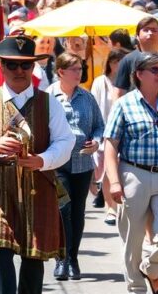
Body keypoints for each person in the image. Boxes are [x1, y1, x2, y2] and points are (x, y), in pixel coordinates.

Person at [0, 36, 75, 294]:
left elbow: (66, 141)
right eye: (12, 65)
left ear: (33, 68)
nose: (19, 71)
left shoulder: (49, 102)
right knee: (0, 253)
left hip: (38, 185)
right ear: (0, 65)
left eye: (25, 66)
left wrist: (42, 160)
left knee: (34, 256)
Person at [103, 52, 158, 294]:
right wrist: (114, 182)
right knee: (132, 240)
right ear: (139, 75)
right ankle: (136, 288)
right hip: (134, 174)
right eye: (154, 69)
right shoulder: (124, 104)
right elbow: (111, 144)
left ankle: (151, 269)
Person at [47, 52, 105, 281]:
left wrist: (97, 142)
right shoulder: (48, 96)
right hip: (57, 162)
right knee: (63, 211)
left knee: (78, 212)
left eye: (80, 69)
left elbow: (100, 126)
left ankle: (73, 258)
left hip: (82, 162)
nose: (79, 73)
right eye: (75, 69)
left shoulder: (87, 97)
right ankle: (61, 259)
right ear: (61, 72)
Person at [91, 47, 129, 225]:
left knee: (122, 169)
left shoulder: (130, 82)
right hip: (106, 131)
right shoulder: (101, 81)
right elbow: (95, 106)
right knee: (107, 171)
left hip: (126, 132)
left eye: (122, 61)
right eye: (115, 61)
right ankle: (110, 207)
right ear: (110, 63)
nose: (119, 65)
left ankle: (121, 206)